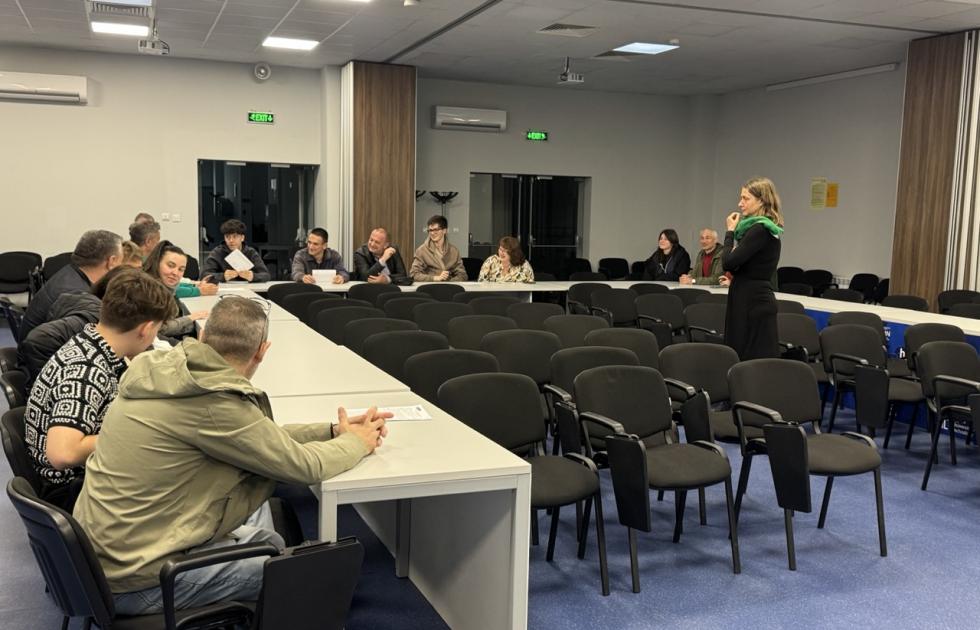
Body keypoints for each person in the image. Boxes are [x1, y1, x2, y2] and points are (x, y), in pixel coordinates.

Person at [73, 296, 390, 615]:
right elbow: (306, 466)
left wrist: (331, 431)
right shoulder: (213, 401)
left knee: (270, 542)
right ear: (262, 351)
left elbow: (261, 437)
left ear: (201, 336)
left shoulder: (166, 374)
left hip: (103, 560)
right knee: (303, 575)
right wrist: (358, 443)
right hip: (138, 581)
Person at [24, 269, 175, 510]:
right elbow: (62, 453)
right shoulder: (85, 371)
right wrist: (133, 433)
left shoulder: (93, 345)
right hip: (74, 490)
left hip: (87, 477)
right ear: (146, 329)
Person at [20, 265, 134, 386]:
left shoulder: (83, 298)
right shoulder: (94, 319)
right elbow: (38, 340)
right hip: (44, 387)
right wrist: (56, 385)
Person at [18, 229, 123, 344]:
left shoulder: (71, 273)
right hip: (42, 353)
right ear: (112, 261)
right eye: (122, 260)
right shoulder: (76, 294)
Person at [722, 177, 784, 360]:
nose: (740, 203)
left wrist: (730, 232)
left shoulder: (759, 230)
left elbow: (728, 263)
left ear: (761, 200)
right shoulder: (766, 229)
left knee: (748, 361)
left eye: (746, 198)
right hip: (752, 298)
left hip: (751, 302)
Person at [143, 241, 213, 338]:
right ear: (157, 263)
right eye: (170, 266)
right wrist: (190, 318)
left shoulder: (163, 286)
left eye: (181, 269)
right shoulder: (149, 291)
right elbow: (161, 329)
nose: (175, 273)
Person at [202, 219, 271, 283]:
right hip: (225, 288)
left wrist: (253, 276)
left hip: (248, 288)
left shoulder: (251, 252)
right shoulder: (217, 252)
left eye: (235, 236)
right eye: (227, 237)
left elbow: (266, 275)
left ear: (242, 238)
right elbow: (204, 275)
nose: (231, 240)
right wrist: (223, 276)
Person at [410, 215, 467, 282]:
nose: (432, 233)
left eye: (436, 230)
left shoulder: (454, 251)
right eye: (430, 230)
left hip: (449, 286)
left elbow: (462, 275)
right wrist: (435, 278)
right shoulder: (421, 251)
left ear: (444, 231)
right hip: (430, 286)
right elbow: (414, 274)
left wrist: (449, 283)